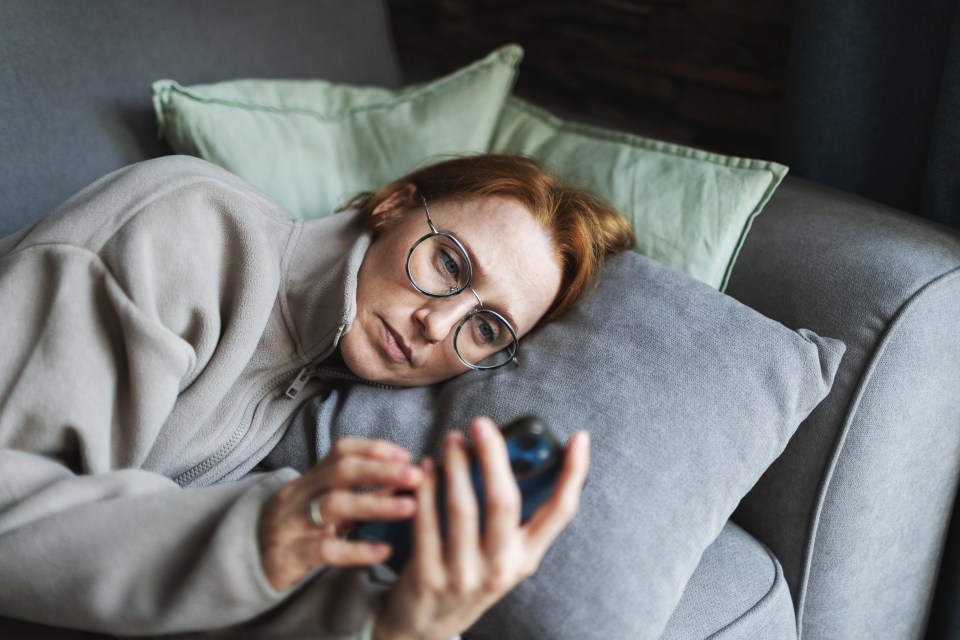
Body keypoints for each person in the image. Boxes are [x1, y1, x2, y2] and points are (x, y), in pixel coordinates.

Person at [0, 153, 634, 639]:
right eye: (450, 263)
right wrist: (250, 540)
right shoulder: (188, 224)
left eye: (486, 327)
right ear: (392, 205)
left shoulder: (315, 389)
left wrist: (404, 625)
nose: (437, 327)